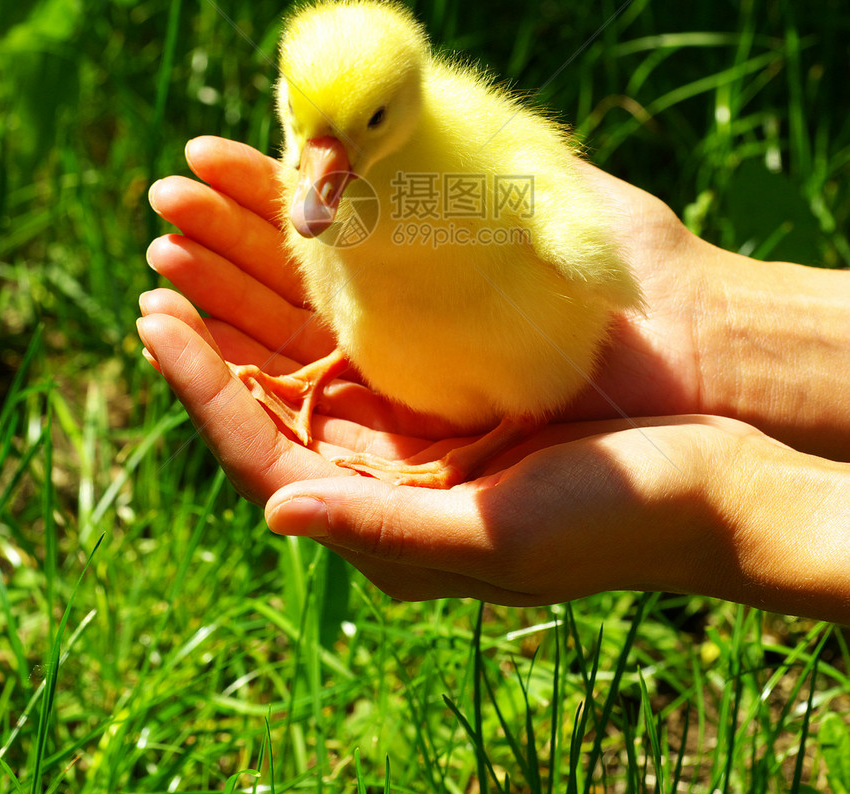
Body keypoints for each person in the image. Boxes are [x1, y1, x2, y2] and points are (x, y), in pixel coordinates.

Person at [137, 135, 850, 623]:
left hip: (526, 359)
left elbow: (576, 252)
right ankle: (350, 370)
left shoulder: (462, 174)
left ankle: (483, 428)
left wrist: (736, 506)